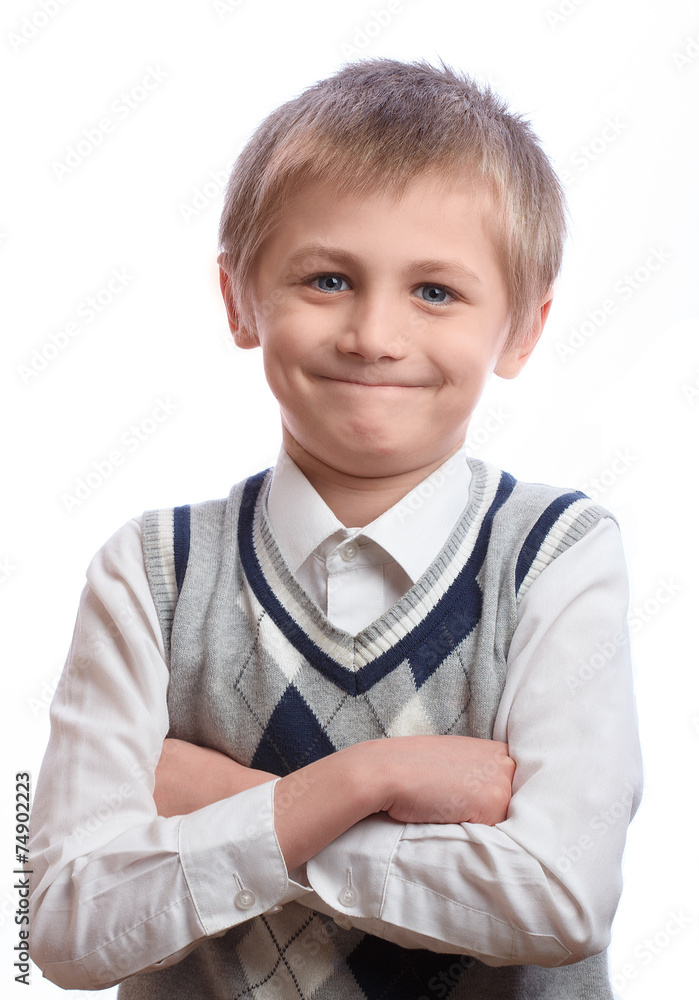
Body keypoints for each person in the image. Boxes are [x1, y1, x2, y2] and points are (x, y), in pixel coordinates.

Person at [28, 58, 642, 999]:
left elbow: (558, 900)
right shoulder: (150, 571)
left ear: (521, 329)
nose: (373, 335)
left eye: (435, 292)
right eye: (326, 279)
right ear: (239, 300)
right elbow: (63, 927)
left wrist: (232, 810)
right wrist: (369, 780)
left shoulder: (555, 554)